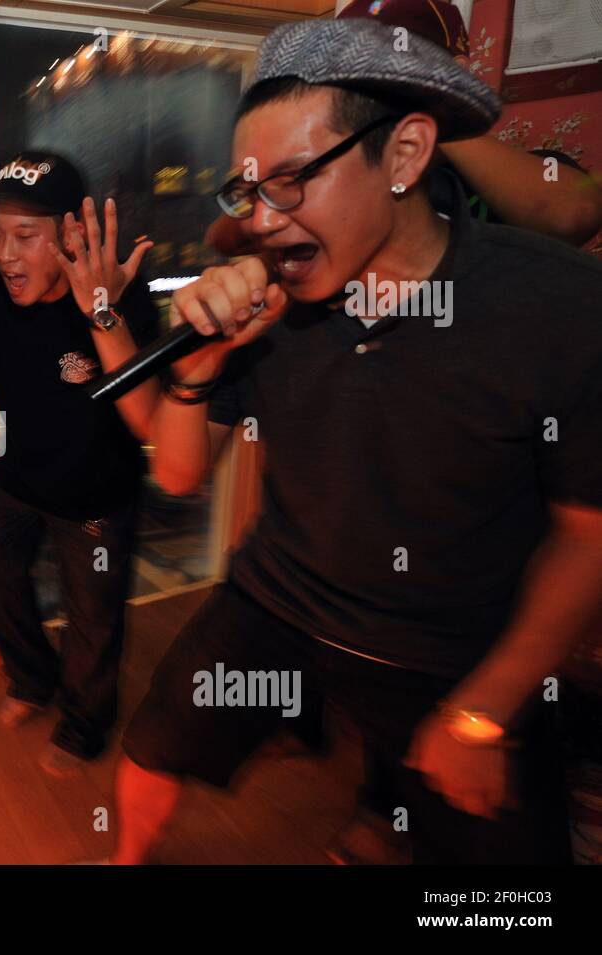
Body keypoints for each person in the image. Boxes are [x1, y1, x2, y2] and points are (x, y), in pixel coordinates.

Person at [111, 17, 602, 864]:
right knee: (153, 750)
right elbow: (184, 474)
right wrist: (201, 367)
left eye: (294, 180)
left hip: (453, 649)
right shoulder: (268, 300)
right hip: (280, 603)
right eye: (249, 189)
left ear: (407, 156)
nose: (262, 222)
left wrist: (484, 710)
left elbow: (588, 539)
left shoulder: (555, 306)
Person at [0, 151, 159, 776]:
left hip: (98, 494)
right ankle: (32, 679)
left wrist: (102, 312)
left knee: (94, 621)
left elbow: (149, 421)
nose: (6, 253)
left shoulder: (121, 295)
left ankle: (84, 724)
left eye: (25, 236)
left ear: (71, 236)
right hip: (21, 475)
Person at [206, 0, 602, 258]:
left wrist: (432, 112)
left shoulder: (528, 172)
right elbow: (224, 238)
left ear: (456, 71)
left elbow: (573, 215)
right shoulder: (341, 175)